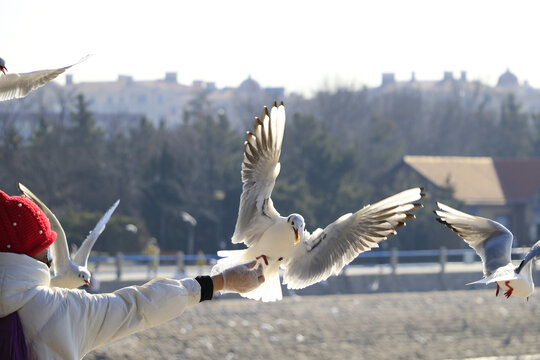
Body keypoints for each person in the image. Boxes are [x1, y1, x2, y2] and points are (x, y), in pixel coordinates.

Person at [0, 189, 265, 359]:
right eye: (44, 248)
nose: (49, 257)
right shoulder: (65, 310)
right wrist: (221, 282)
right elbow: (139, 306)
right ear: (33, 254)